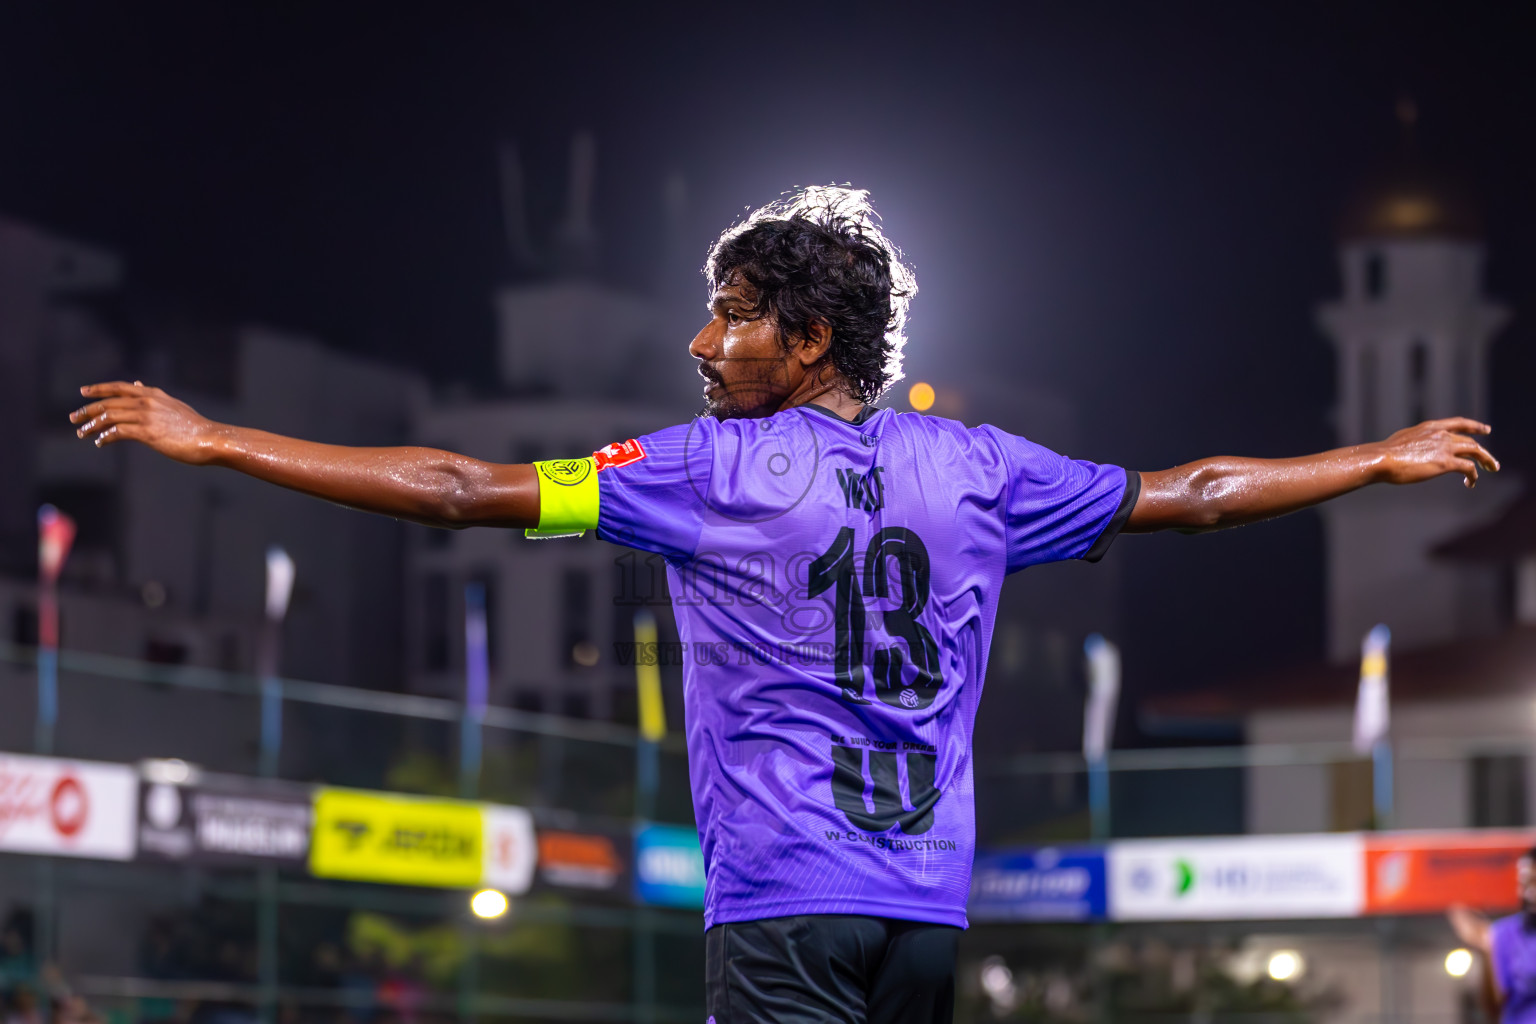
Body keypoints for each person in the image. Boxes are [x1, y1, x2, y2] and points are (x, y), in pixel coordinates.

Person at [71, 186, 1499, 1023]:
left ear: (807, 338)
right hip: (925, 919)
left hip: (783, 907)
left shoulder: (702, 470)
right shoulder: (977, 466)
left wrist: (225, 444)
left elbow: (456, 488)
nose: (703, 338)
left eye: (735, 312)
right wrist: (1371, 460)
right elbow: (1188, 492)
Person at [1449, 847, 1536, 1023]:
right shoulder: (1504, 933)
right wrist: (1487, 950)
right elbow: (1493, 1006)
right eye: (1524, 883)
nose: (1529, 893)